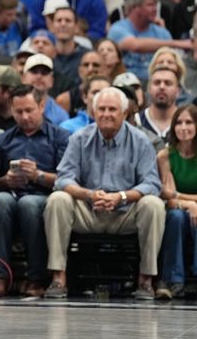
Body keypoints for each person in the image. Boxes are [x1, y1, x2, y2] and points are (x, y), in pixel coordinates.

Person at [44, 87, 165, 299]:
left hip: (125, 212)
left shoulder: (141, 140)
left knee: (153, 204)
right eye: (101, 109)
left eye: (112, 109)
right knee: (58, 199)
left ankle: (145, 279)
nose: (106, 114)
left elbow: (152, 183)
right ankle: (58, 277)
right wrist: (89, 194)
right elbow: (63, 179)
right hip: (89, 210)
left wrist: (122, 197)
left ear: (125, 113)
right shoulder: (79, 138)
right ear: (93, 112)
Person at [0, 85, 70, 297]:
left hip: (45, 196)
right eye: (19, 112)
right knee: (1, 201)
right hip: (11, 194)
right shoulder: (2, 140)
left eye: (29, 110)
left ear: (41, 106)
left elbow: (67, 180)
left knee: (29, 204)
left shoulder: (60, 137)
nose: (24, 117)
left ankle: (37, 277)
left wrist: (38, 176)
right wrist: (6, 180)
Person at [107, 0, 191, 83]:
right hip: (126, 82)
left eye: (156, 5)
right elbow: (135, 45)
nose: (155, 9)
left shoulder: (162, 33)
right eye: (150, 5)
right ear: (135, 7)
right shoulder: (118, 28)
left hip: (156, 83)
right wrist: (179, 43)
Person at [156, 104, 197, 299]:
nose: (183, 127)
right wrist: (189, 203)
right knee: (176, 217)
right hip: (177, 209)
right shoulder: (165, 156)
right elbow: (168, 197)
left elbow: (175, 194)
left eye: (189, 122)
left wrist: (183, 198)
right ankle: (174, 281)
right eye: (179, 122)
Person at [21, 53, 70, 125]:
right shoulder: (11, 107)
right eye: (34, 71)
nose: (39, 76)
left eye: (44, 72)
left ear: (52, 81)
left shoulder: (61, 116)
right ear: (23, 77)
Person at [136, 66, 181, 141]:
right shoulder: (136, 121)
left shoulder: (189, 122)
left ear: (178, 91)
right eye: (157, 83)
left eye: (168, 83)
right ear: (149, 89)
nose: (162, 87)